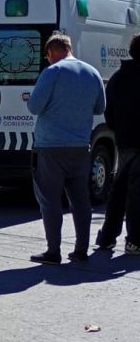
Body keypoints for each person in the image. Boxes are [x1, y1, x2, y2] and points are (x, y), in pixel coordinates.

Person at [27, 34, 106, 264]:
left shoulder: (52, 72)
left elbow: (34, 107)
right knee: (81, 201)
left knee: (50, 201)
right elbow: (100, 107)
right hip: (81, 147)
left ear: (51, 52)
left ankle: (53, 251)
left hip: (50, 148)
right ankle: (81, 250)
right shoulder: (92, 73)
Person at [95, 34, 140, 254]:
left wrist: (120, 128)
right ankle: (135, 240)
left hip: (125, 141)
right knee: (137, 192)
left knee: (119, 189)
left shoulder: (117, 78)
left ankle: (107, 237)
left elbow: (108, 112)